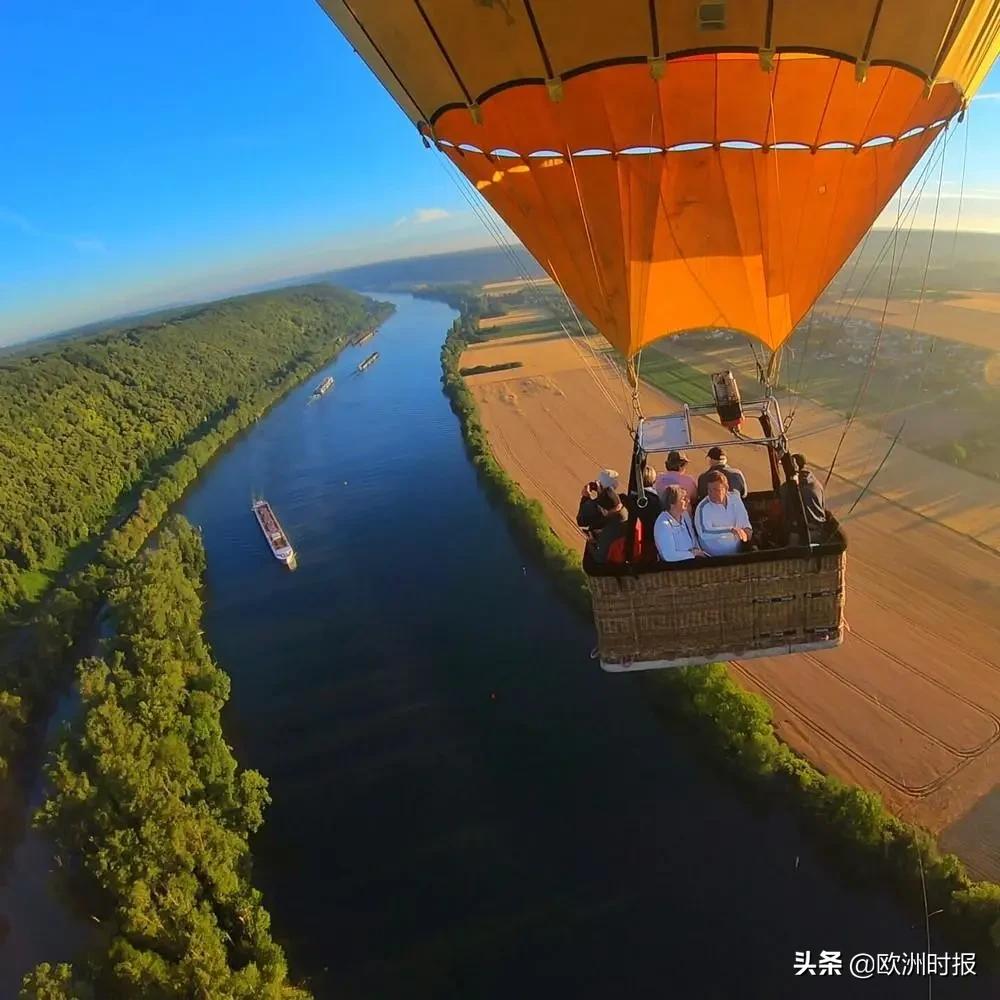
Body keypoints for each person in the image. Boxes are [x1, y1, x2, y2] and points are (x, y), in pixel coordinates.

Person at [694, 470, 753, 556]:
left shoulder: (735, 498)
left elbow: (743, 519)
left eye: (716, 490)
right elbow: (704, 532)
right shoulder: (702, 507)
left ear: (726, 488)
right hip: (713, 558)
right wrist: (730, 530)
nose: (712, 494)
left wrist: (747, 528)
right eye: (709, 490)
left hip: (737, 553)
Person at [654, 485, 708, 562]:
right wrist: (693, 554)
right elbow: (669, 556)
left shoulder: (685, 516)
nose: (688, 501)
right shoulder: (663, 525)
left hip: (692, 562)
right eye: (683, 499)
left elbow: (693, 538)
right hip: (675, 568)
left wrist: (699, 552)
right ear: (672, 504)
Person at [780, 453, 827, 543]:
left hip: (800, 534)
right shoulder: (817, 484)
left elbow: (785, 512)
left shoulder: (788, 488)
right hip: (819, 532)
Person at [589, 486, 631, 564]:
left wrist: (591, 543)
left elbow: (599, 558)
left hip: (615, 562)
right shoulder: (628, 507)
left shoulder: (608, 533)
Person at [577, 468, 622, 538]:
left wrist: (585, 497)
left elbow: (580, 521)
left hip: (598, 546)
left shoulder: (597, 507)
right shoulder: (620, 502)